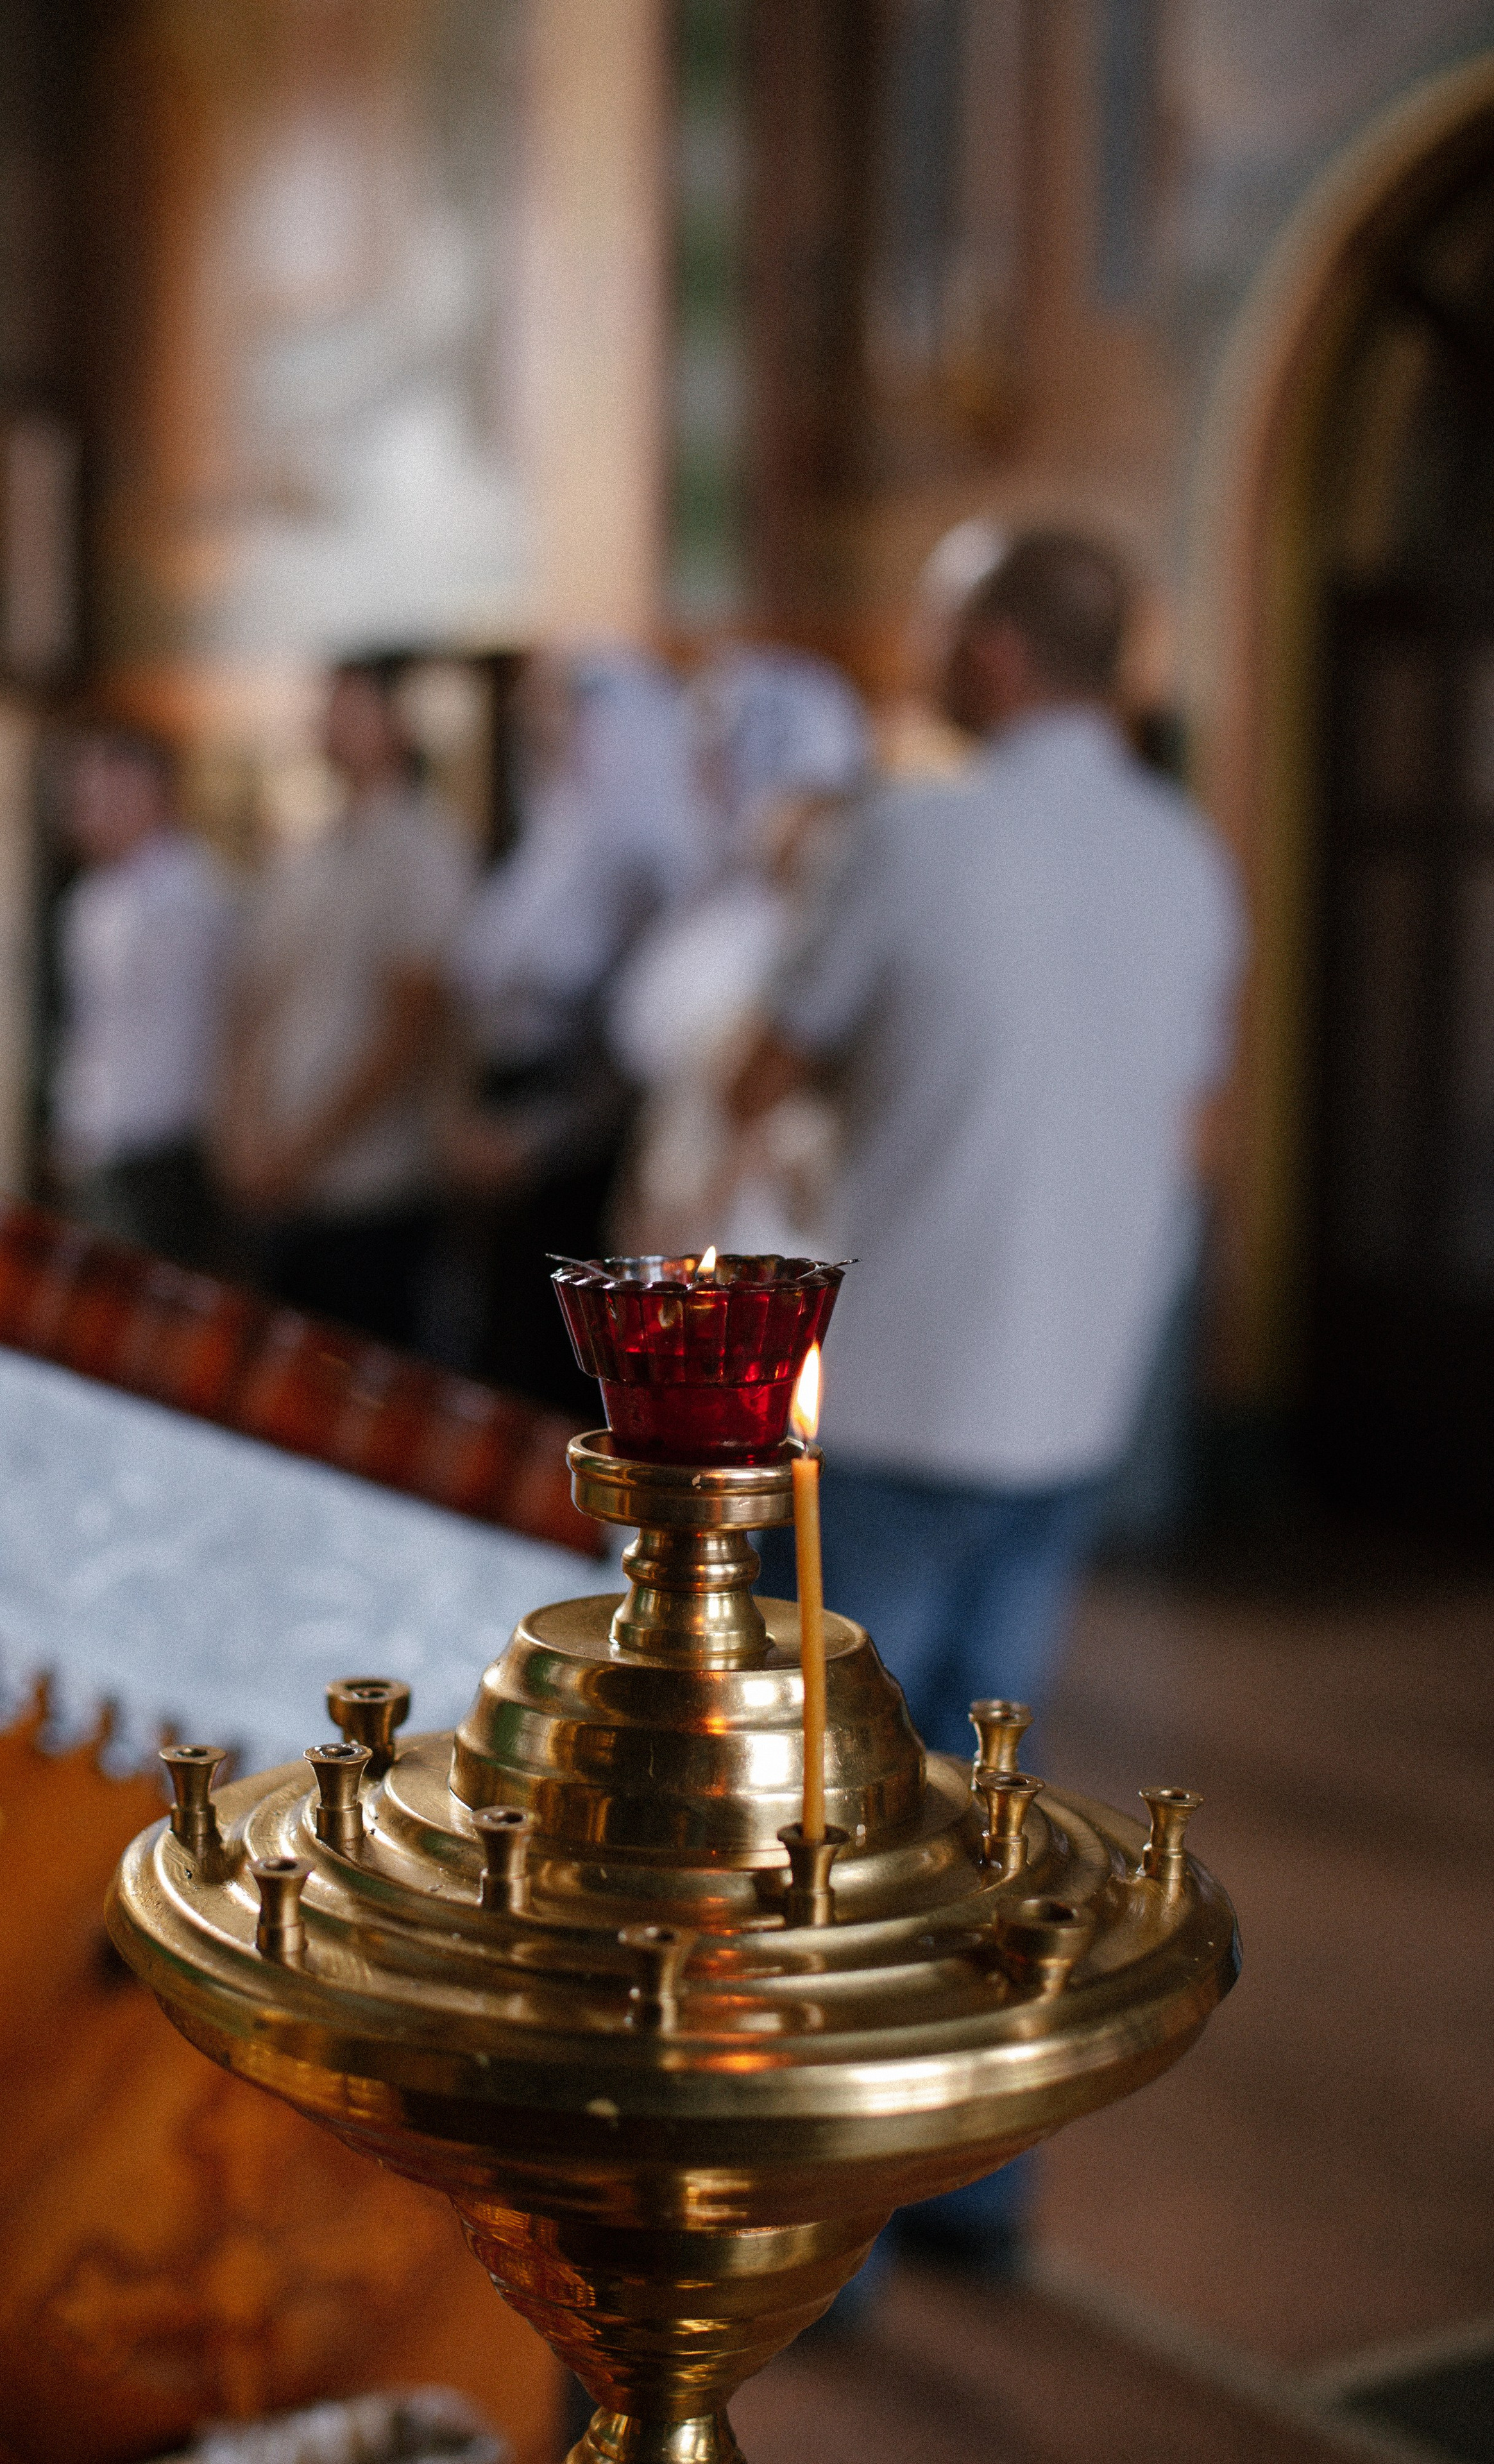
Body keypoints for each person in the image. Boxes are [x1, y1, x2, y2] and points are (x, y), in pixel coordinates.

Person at [733, 528, 1245, 2271]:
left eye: (941, 621)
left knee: (840, 1817)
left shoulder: (916, 834)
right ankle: (982, 2187)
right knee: (993, 1800)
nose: (922, 648)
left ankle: (840, 2236)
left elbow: (763, 1062)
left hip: (905, 1391)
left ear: (1004, 656)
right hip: (1075, 1399)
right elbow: (1192, 1129)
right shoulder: (1189, 857)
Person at [446, 649, 704, 1407]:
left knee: (559, 1373)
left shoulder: (645, 864)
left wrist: (536, 1139)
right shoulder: (547, 844)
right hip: (499, 1138)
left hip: (569, 1156)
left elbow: (629, 1053)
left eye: (572, 716)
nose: (553, 733)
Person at [214, 659, 472, 1351]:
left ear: (397, 725)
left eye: (351, 708)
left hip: (369, 1186)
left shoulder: (422, 849)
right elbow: (257, 1006)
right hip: (282, 1177)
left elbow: (407, 1026)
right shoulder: (306, 853)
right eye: (327, 708)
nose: (331, 724)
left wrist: (303, 1152)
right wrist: (244, 1134)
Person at [607, 646, 872, 1259]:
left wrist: (697, 1215)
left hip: (750, 1235)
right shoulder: (718, 906)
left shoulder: (815, 943)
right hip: (681, 1196)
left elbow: (764, 1105)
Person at [49, 725, 236, 1270]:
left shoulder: (195, 894)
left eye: (99, 792)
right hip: (101, 1142)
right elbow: (93, 1029)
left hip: (165, 1148)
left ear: (147, 791)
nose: (83, 810)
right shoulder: (89, 901)